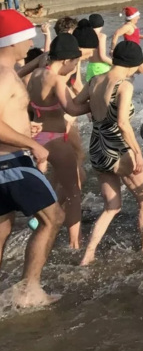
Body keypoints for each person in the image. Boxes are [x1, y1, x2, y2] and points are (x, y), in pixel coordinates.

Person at [0, 11, 65, 308]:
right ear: (12, 41)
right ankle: (29, 291)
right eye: (27, 36)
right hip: (11, 162)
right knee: (53, 218)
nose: (31, 42)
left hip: (6, 161)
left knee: (2, 225)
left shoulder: (9, 69)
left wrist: (27, 127)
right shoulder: (2, 75)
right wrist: (32, 144)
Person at [74, 41, 143, 265]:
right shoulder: (124, 85)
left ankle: (88, 254)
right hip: (117, 147)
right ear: (133, 63)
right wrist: (137, 153)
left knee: (112, 206)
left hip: (97, 147)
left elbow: (72, 107)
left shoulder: (94, 81)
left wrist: (96, 106)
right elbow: (122, 123)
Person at [26, 34, 90, 249]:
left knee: (53, 183)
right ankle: (75, 243)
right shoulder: (56, 79)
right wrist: (98, 104)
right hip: (55, 139)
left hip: (38, 136)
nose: (73, 67)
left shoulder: (35, 74)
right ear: (65, 60)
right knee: (73, 192)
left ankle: (41, 221)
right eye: (74, 63)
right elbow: (71, 108)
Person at [85, 14, 112, 82]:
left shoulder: (86, 36)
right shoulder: (101, 36)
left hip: (90, 67)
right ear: (102, 24)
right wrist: (115, 63)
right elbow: (102, 56)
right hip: (101, 68)